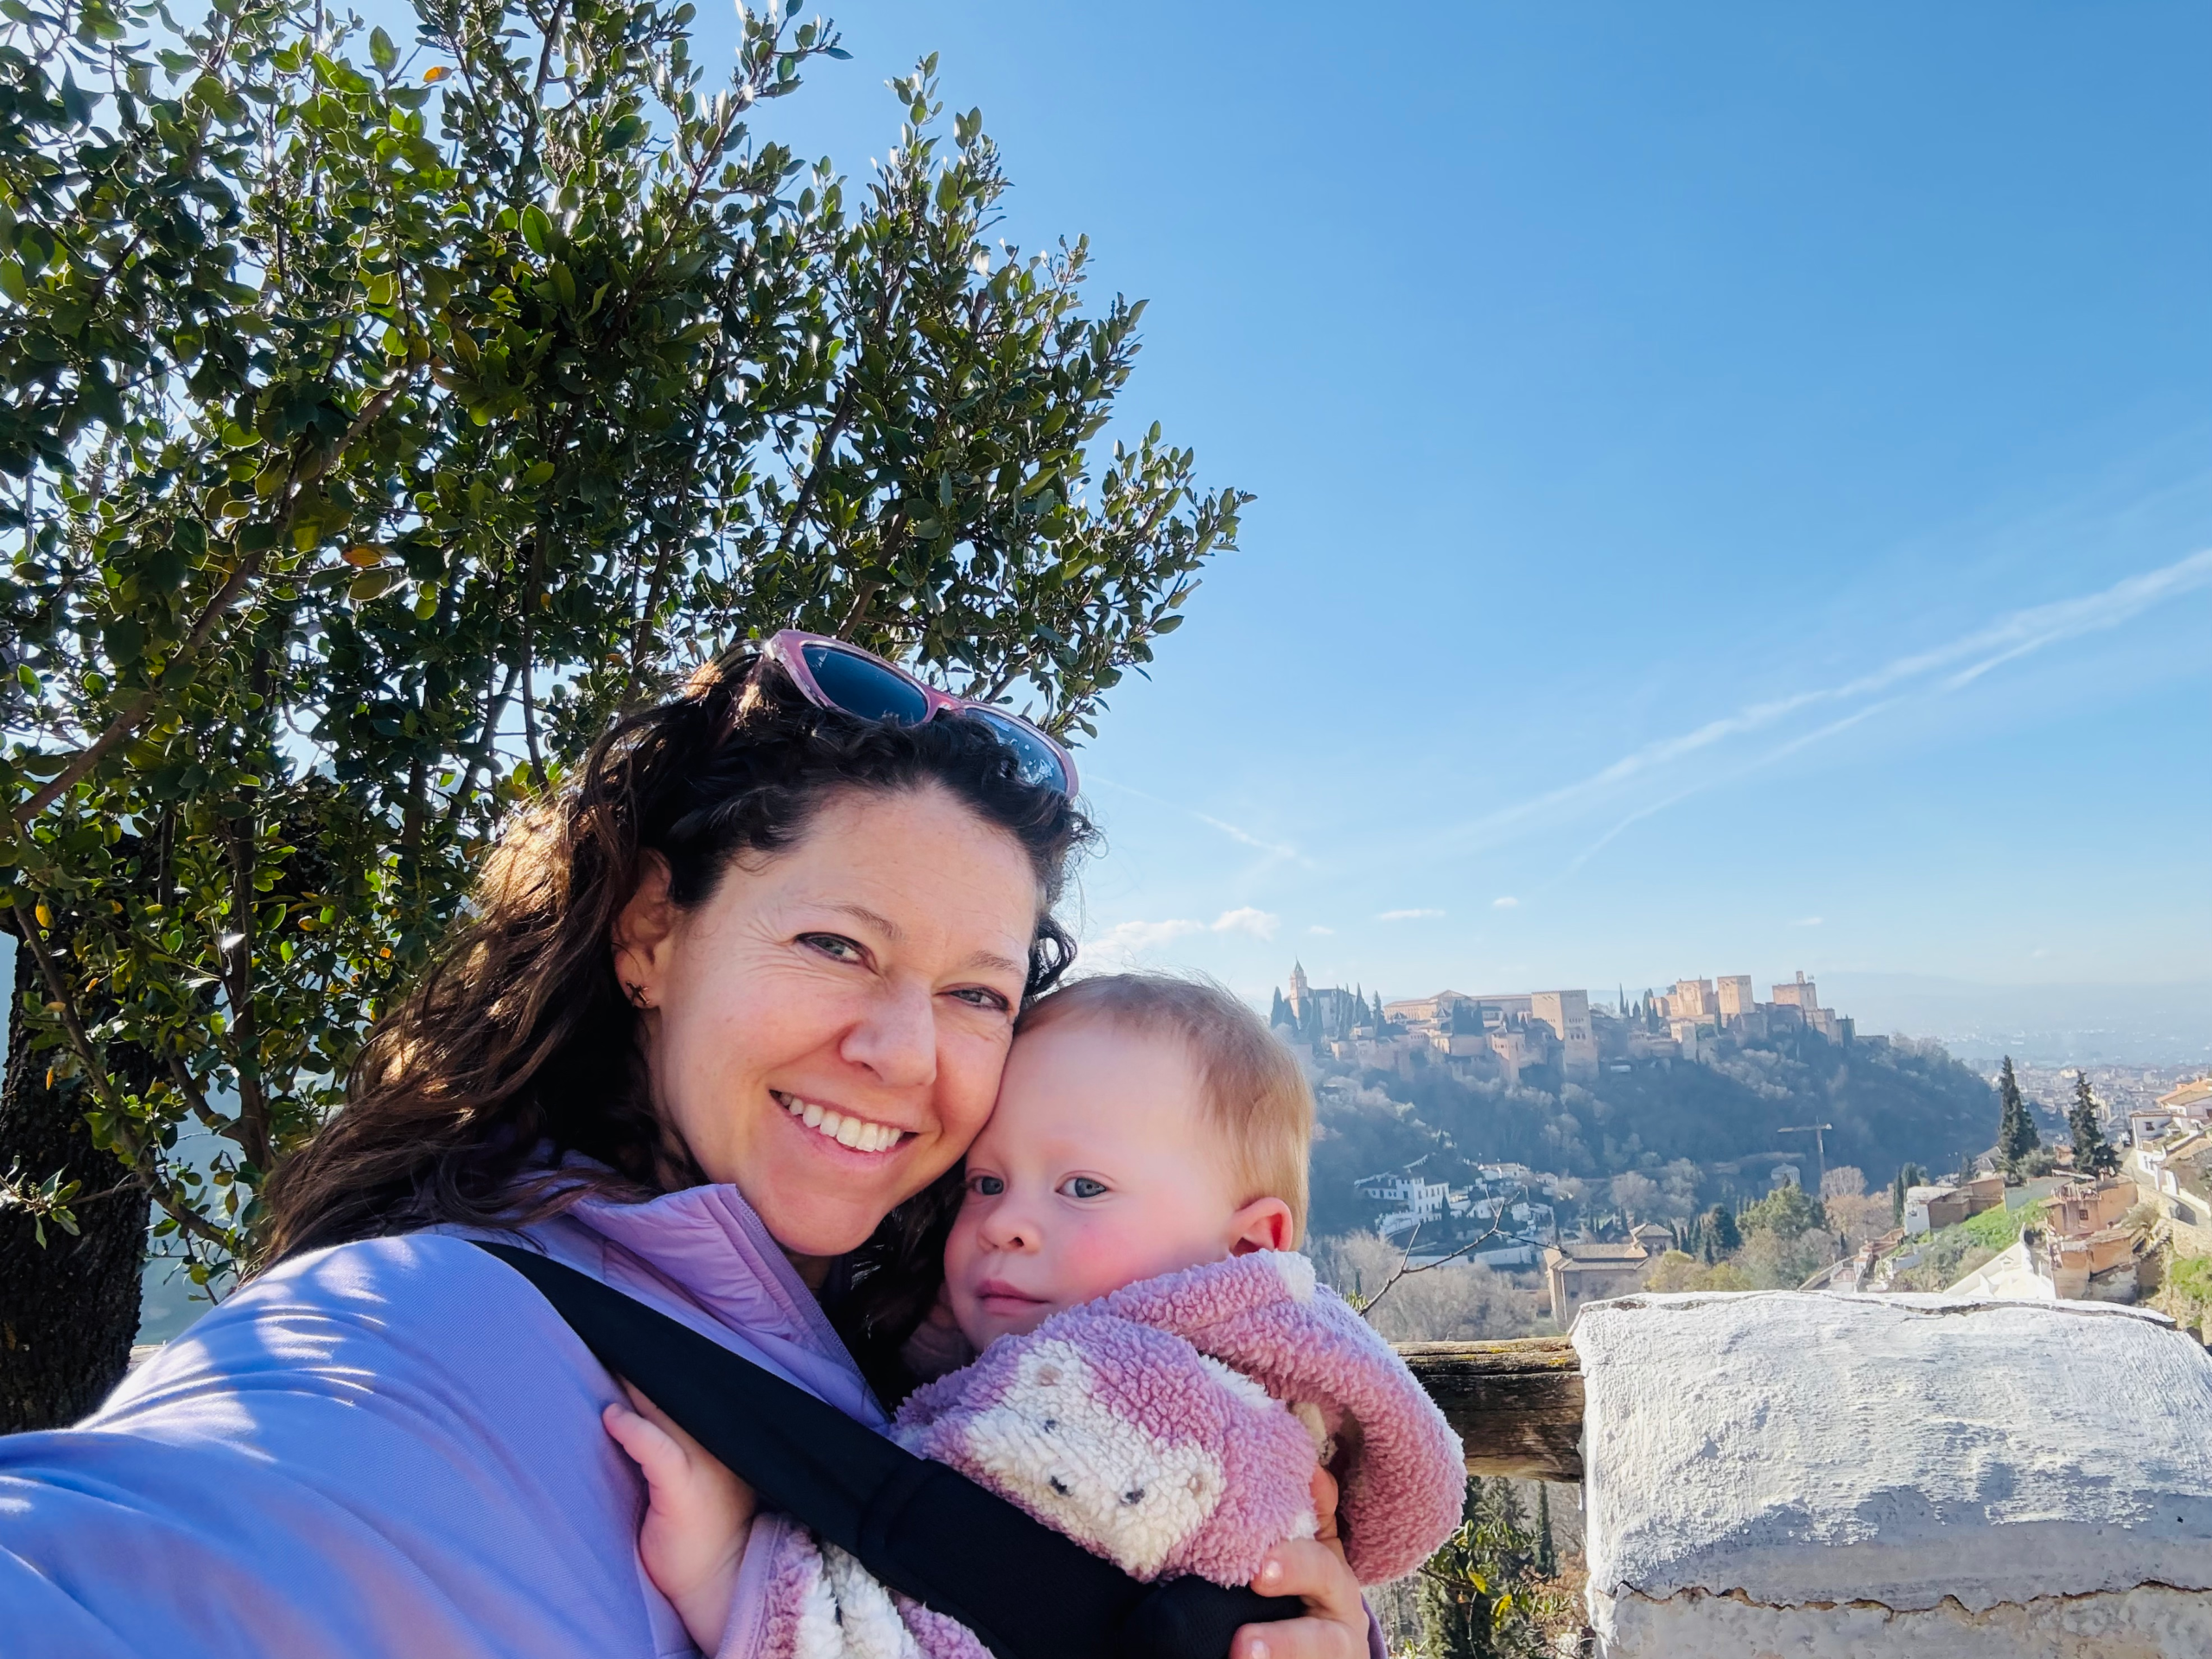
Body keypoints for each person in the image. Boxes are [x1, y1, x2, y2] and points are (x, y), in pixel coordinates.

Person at [0, 638, 1375, 1659]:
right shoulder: (418, 1331)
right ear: (652, 934)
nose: (907, 1052)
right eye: (838, 944)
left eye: (976, 993)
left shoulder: (947, 1348)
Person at [609, 975, 1466, 1659]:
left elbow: (936, 1619)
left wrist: (730, 1575)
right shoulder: (1249, 1410)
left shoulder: (1127, 1399)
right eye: (985, 1183)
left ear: (1243, 1248)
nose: (1005, 1223)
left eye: (1083, 1188)